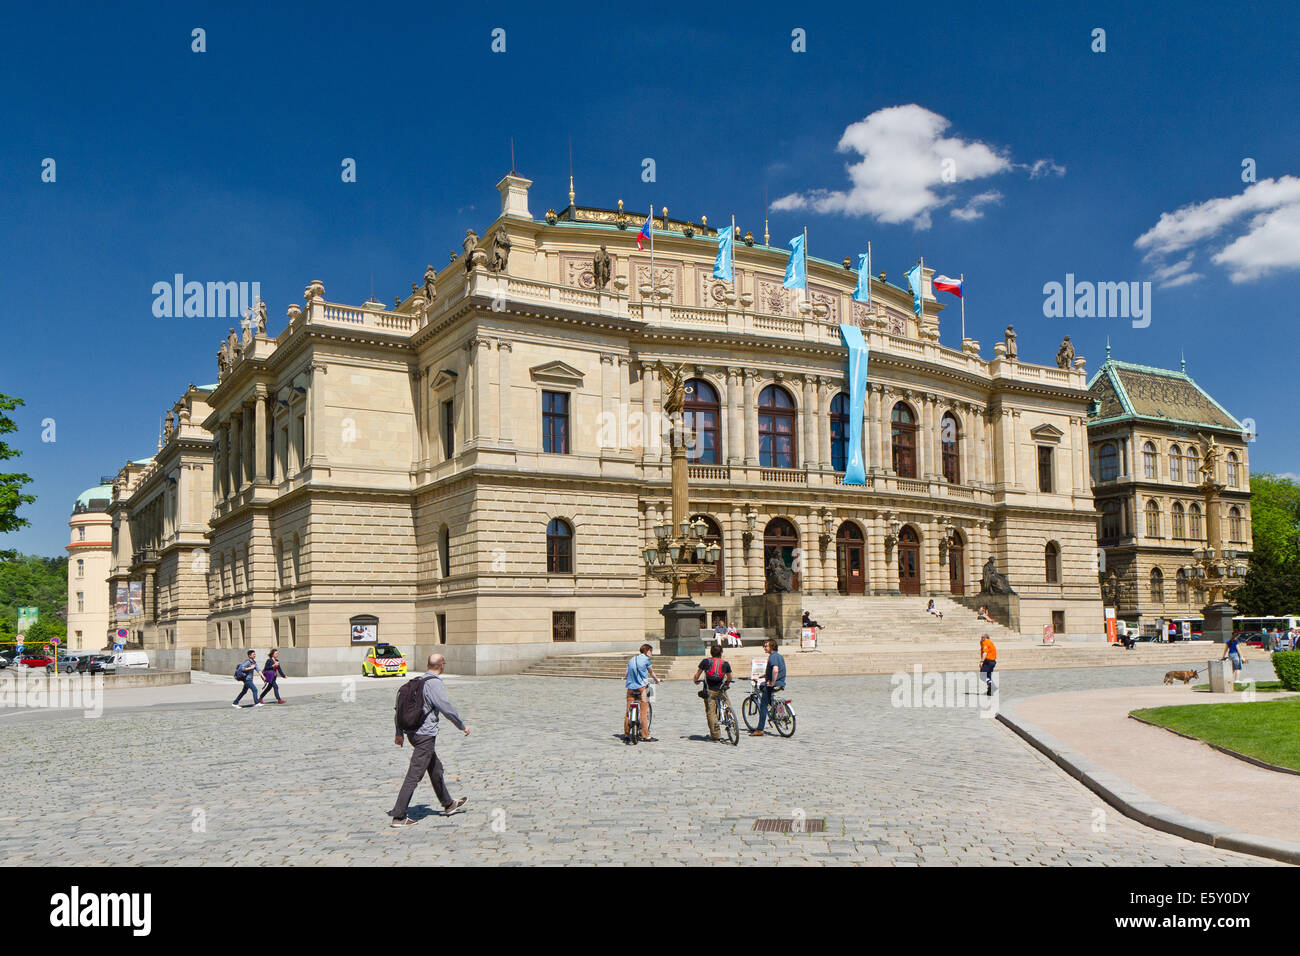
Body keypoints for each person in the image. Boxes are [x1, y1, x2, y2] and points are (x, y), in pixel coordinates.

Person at [389, 653, 469, 828]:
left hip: (413, 733)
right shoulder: (434, 683)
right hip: (425, 736)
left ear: (427, 664)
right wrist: (462, 726)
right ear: (442, 665)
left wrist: (399, 733)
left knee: (435, 767)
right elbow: (446, 708)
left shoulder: (417, 680)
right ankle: (399, 816)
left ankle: (448, 804)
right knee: (414, 775)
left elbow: (399, 708)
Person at [693, 644, 733, 741]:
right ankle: (731, 719)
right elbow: (729, 677)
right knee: (728, 705)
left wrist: (696, 680)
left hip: (710, 690)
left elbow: (697, 674)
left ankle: (716, 736)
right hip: (721, 689)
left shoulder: (706, 662)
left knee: (711, 712)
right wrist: (727, 683)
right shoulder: (725, 663)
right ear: (721, 653)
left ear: (711, 652)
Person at [624, 643, 659, 744]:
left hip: (630, 688)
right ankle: (646, 736)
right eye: (651, 651)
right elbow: (651, 673)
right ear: (647, 651)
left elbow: (626, 673)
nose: (651, 653)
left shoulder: (632, 659)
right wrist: (656, 680)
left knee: (628, 711)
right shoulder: (647, 660)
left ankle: (626, 734)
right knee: (644, 711)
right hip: (642, 688)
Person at [749, 639, 785, 737]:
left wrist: (772, 682)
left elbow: (776, 670)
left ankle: (760, 729)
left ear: (772, 646)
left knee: (763, 706)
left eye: (766, 646)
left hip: (774, 683)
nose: (764, 648)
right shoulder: (778, 656)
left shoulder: (772, 657)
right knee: (763, 687)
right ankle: (773, 705)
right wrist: (764, 676)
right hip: (781, 682)